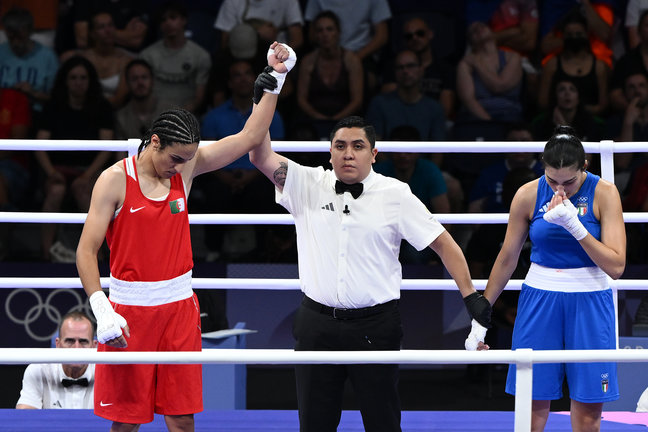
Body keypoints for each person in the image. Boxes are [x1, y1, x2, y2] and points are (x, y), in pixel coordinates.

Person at [75, 41, 295, 431]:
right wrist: (101, 306)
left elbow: (248, 138)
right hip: (129, 311)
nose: (180, 168)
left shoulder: (186, 168)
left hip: (179, 307)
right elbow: (86, 250)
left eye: (187, 159)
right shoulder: (113, 181)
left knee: (181, 418)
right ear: (155, 142)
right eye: (175, 158)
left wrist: (274, 81)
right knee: (126, 422)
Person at [248, 115, 491, 431]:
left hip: (375, 327)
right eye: (341, 146)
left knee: (382, 422)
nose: (348, 153)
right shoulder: (306, 183)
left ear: (373, 154)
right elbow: (259, 155)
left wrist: (471, 297)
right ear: (330, 153)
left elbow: (445, 245)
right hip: (316, 326)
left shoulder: (396, 193)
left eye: (358, 146)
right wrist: (270, 89)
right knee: (314, 424)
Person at [467, 125, 626, 431]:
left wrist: (576, 228)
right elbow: (507, 258)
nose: (560, 190)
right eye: (552, 181)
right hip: (540, 300)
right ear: (542, 167)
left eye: (569, 182)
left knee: (589, 416)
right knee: (530, 409)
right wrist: (481, 315)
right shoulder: (527, 194)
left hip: (591, 300)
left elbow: (617, 267)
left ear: (585, 167)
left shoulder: (605, 193)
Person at [34, 56, 114, 262]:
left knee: (83, 191)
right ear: (65, 81)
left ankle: (99, 257)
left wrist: (87, 176)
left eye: (83, 78)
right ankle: (46, 254)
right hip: (57, 169)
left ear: (90, 81)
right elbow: (39, 145)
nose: (78, 82)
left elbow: (106, 148)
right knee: (56, 190)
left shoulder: (102, 107)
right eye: (73, 78)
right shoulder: (53, 106)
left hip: (89, 170)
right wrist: (52, 173)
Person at [296, 10, 364, 139]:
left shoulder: (352, 60)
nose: (325, 34)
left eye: (329, 29)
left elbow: (357, 100)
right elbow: (302, 99)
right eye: (320, 30)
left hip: (346, 120)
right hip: (314, 121)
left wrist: (336, 120)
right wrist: (320, 118)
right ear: (315, 35)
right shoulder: (308, 61)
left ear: (338, 33)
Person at [140, 1, 211, 114]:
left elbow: (198, 98)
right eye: (163, 20)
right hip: (153, 116)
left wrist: (178, 117)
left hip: (186, 118)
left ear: (184, 20)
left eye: (173, 18)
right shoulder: (147, 56)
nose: (168, 23)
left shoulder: (200, 56)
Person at [16, 311, 97, 409]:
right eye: (70, 341)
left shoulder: (108, 374)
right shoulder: (38, 370)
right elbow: (25, 417)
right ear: (58, 344)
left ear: (94, 346)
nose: (77, 348)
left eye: (83, 341)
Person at [536, 10, 609, 116]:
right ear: (563, 36)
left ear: (587, 35)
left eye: (579, 34)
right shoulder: (552, 65)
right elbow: (542, 103)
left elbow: (602, 105)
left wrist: (578, 112)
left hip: (590, 121)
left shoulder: (599, 66)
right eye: (569, 34)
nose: (574, 38)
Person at [366, 49, 445, 141]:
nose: (405, 71)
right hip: (386, 155)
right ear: (394, 72)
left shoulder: (435, 108)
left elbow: (438, 149)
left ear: (421, 69)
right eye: (400, 67)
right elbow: (374, 145)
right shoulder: (379, 104)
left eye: (410, 66)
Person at [61, 11, 135, 108]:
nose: (108, 30)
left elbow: (119, 99)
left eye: (110, 25)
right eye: (101, 27)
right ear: (92, 33)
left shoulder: (126, 60)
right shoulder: (83, 59)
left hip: (114, 112)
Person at [0, 7, 59, 114]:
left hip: (35, 113)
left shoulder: (48, 57)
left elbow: (57, 98)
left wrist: (33, 92)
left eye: (20, 37)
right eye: (11, 38)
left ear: (30, 31)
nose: (15, 43)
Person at [114, 59, 173, 140]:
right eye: (134, 78)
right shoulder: (121, 117)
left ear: (152, 81)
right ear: (127, 83)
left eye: (144, 77)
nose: (140, 83)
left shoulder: (171, 113)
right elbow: (121, 152)